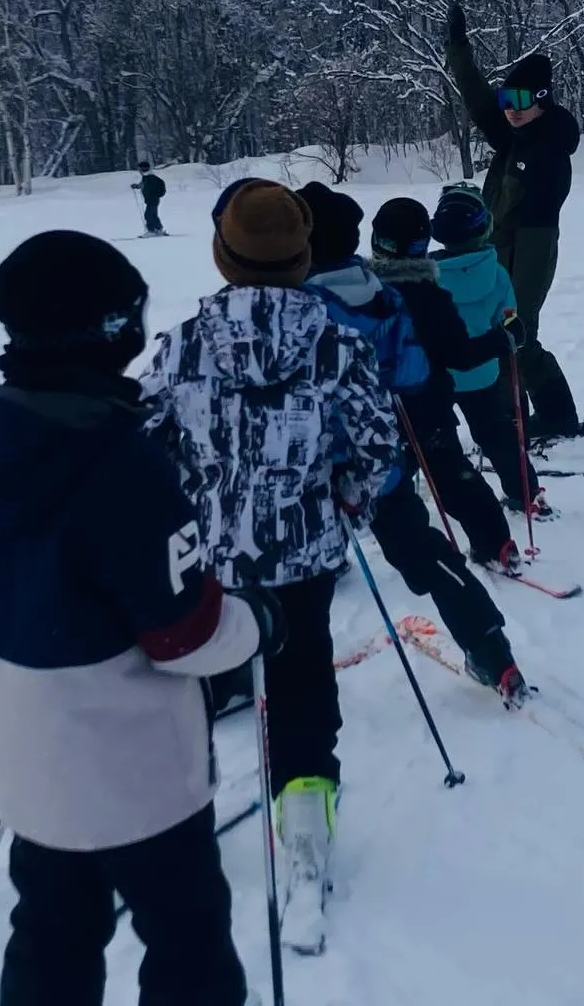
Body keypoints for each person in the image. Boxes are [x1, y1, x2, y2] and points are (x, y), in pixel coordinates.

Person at [0, 229, 277, 1006]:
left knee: (52, 935)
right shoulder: (117, 462)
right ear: (113, 330)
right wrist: (259, 621)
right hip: (138, 779)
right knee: (188, 942)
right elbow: (184, 634)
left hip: (33, 769)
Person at [140, 178, 398, 956]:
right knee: (301, 685)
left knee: (194, 684)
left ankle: (175, 823)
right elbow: (378, 443)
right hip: (303, 556)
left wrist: (179, 507)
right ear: (302, 258)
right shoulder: (335, 341)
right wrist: (349, 501)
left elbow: (141, 441)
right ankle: (305, 814)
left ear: (223, 259)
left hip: (209, 559)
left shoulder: (184, 344)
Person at [299, 181, 529, 707]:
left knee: (293, 561)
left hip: (332, 453)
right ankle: (490, 641)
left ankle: (250, 671)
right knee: (425, 528)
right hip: (403, 427)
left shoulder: (302, 306)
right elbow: (425, 362)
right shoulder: (386, 293)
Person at [444, 4, 584, 439]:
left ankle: (551, 417)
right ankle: (525, 418)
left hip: (531, 250)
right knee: (507, 338)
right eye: (508, 100)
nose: (511, 109)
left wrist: (518, 294)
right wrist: (457, 48)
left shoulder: (548, 154)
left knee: (517, 335)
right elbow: (476, 98)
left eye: (522, 101)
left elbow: (538, 232)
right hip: (498, 252)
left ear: (542, 102)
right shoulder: (514, 136)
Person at [369, 195, 525, 570]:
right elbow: (460, 354)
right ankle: (496, 543)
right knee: (453, 477)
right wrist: (503, 339)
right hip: (428, 408)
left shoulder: (364, 293)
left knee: (376, 482)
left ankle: (327, 559)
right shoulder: (432, 297)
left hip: (375, 413)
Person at [428, 183, 546, 519]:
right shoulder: (496, 274)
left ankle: (454, 490)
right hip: (482, 373)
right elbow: (507, 320)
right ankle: (524, 492)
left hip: (438, 376)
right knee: (498, 436)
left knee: (437, 438)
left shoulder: (426, 275)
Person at [132, 161, 167, 236]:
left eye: (140, 168)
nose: (139, 170)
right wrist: (136, 186)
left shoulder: (150, 177)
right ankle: (158, 229)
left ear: (143, 168)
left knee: (148, 215)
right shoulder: (147, 177)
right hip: (152, 200)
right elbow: (143, 185)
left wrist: (154, 195)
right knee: (153, 215)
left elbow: (149, 187)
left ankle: (151, 230)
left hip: (152, 199)